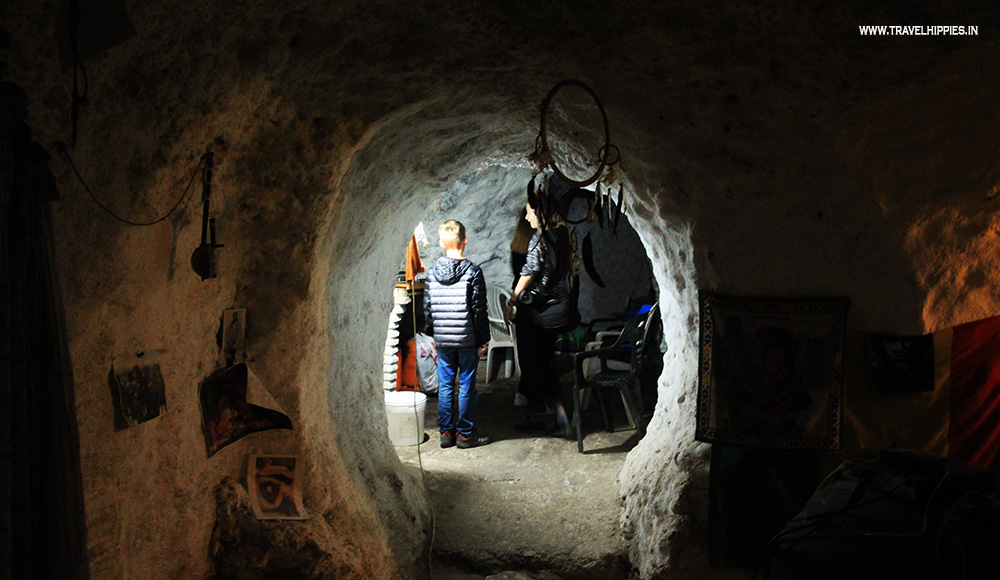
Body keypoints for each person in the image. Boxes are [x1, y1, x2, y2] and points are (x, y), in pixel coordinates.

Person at [504, 195, 577, 438]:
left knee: (532, 365)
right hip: (557, 310)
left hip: (538, 313)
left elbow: (529, 271)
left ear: (540, 213)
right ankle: (561, 414)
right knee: (545, 364)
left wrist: (512, 300)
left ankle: (538, 417)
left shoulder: (539, 240)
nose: (526, 217)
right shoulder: (561, 236)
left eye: (529, 212)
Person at [424, 219, 492, 449]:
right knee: (466, 386)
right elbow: (478, 310)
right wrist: (484, 340)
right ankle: (465, 435)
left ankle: (445, 433)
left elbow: (428, 308)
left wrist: (433, 335)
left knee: (445, 386)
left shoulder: (432, 272)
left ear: (442, 242)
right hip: (467, 339)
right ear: (465, 241)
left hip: (443, 339)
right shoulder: (473, 272)